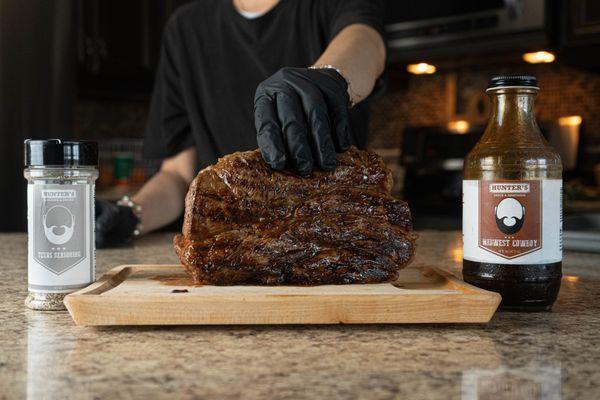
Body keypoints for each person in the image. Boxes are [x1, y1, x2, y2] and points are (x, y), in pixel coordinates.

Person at [95, 0, 386, 247]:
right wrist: (130, 214)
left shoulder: (328, 6)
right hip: (229, 246)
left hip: (330, 237)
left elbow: (366, 41)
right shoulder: (187, 28)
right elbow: (179, 176)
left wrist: (328, 77)